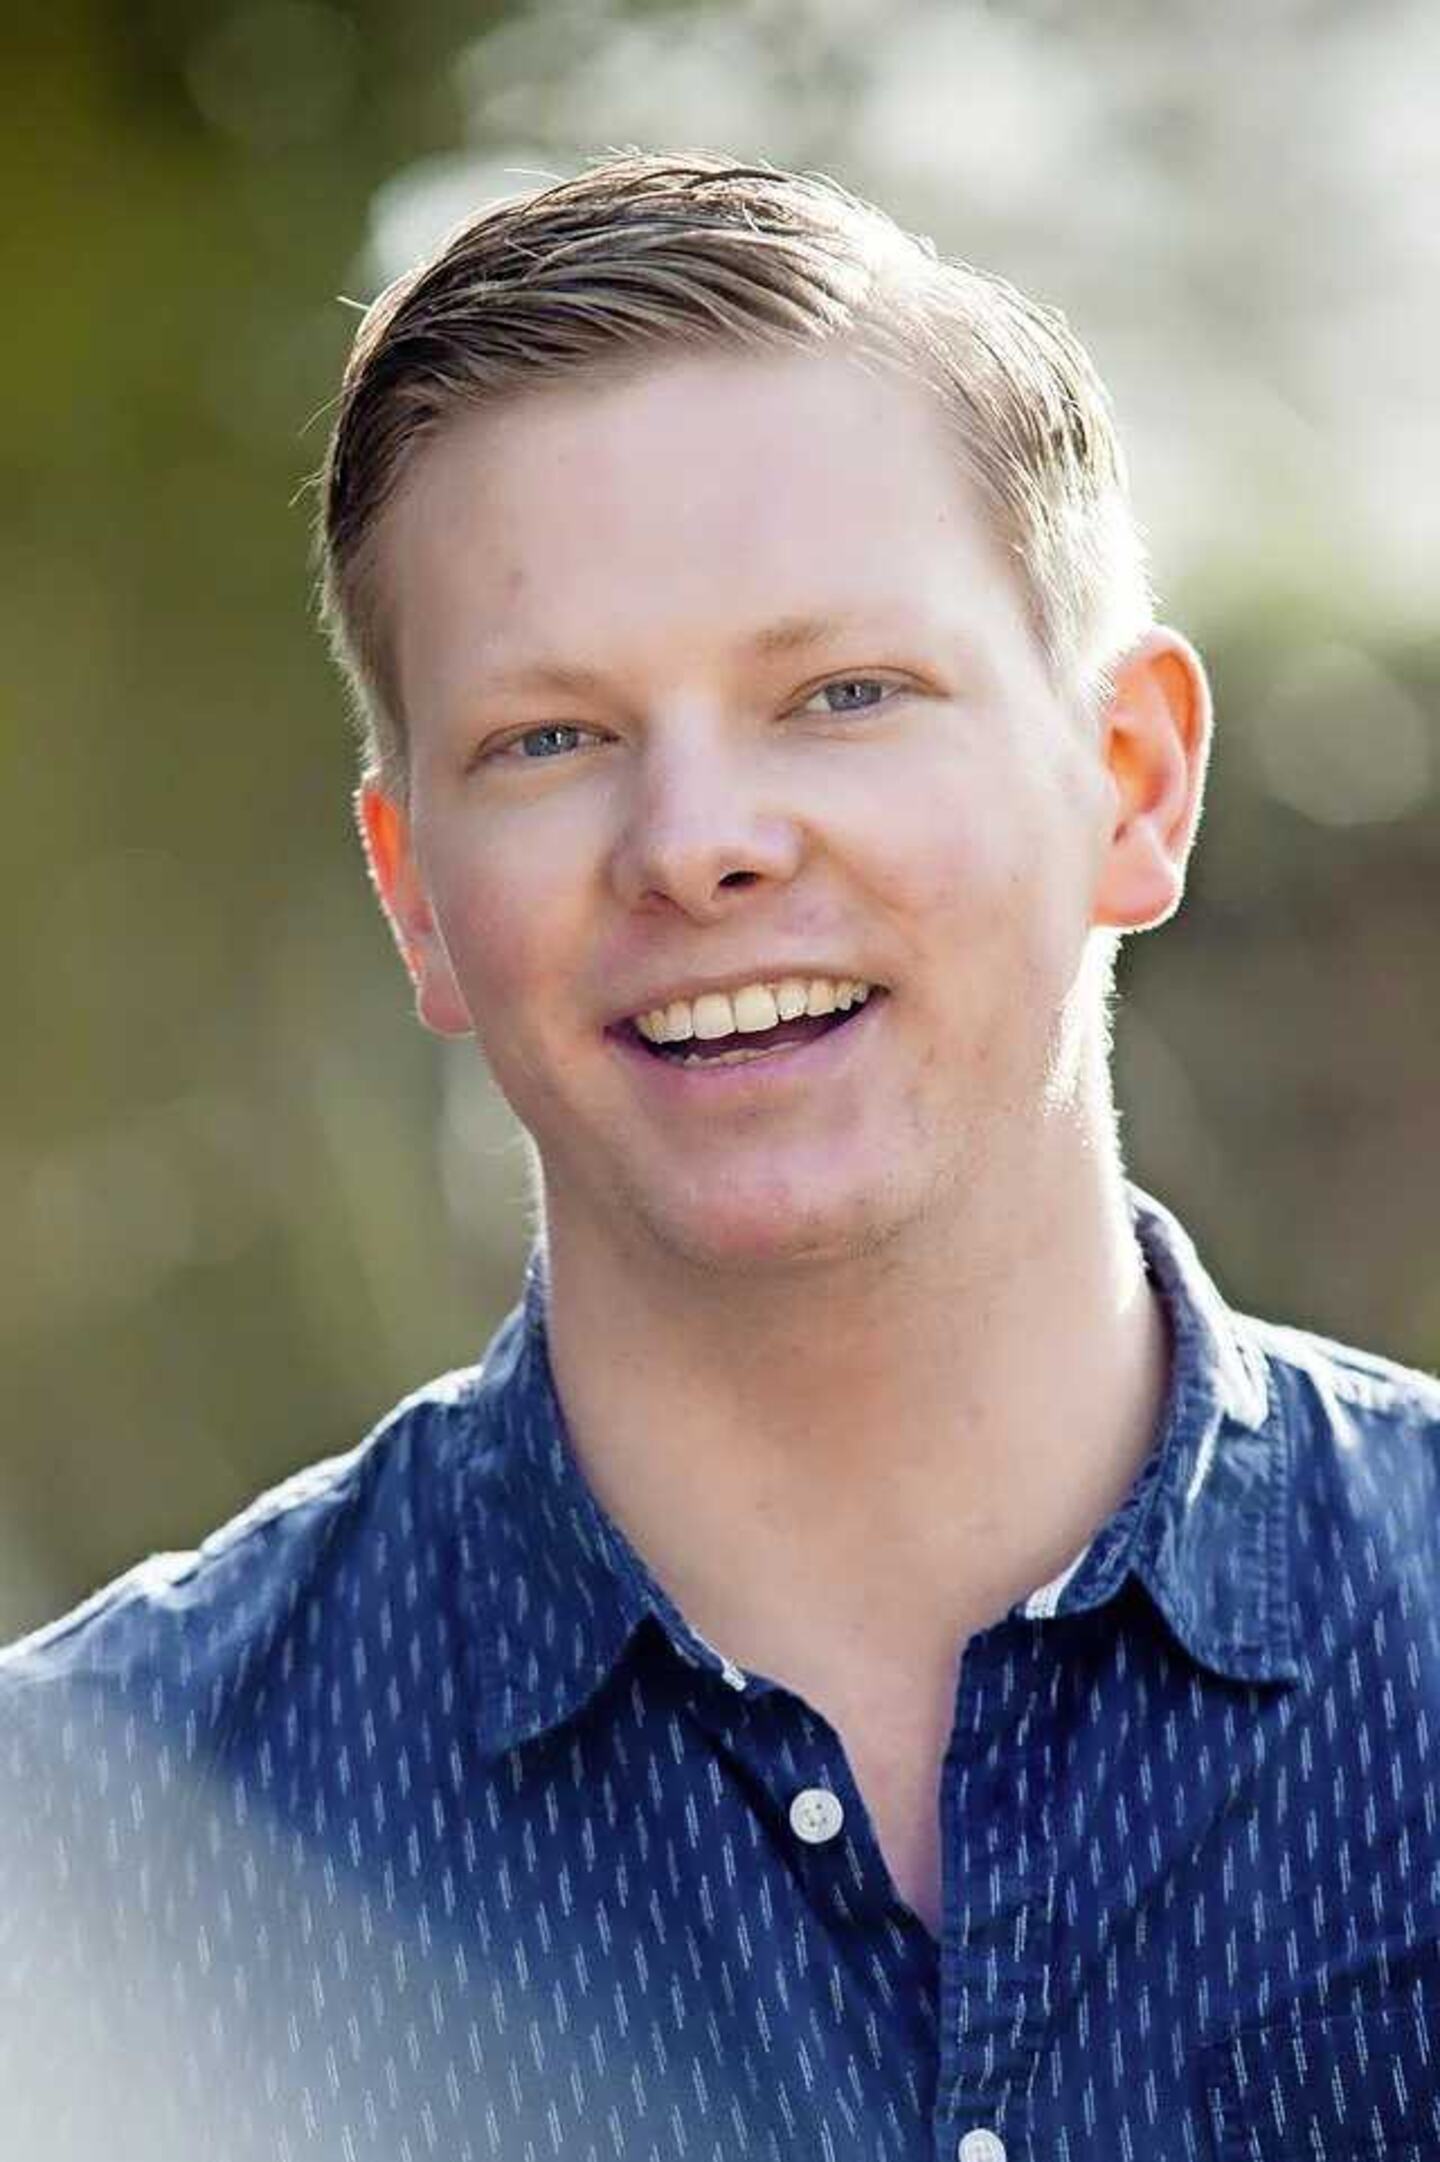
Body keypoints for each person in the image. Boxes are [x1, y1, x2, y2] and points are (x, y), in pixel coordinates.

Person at [4, 152, 1438, 2162]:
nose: (695, 844)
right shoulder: (86, 1862)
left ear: (1131, 780)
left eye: (843, 693)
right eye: (550, 738)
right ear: (415, 897)